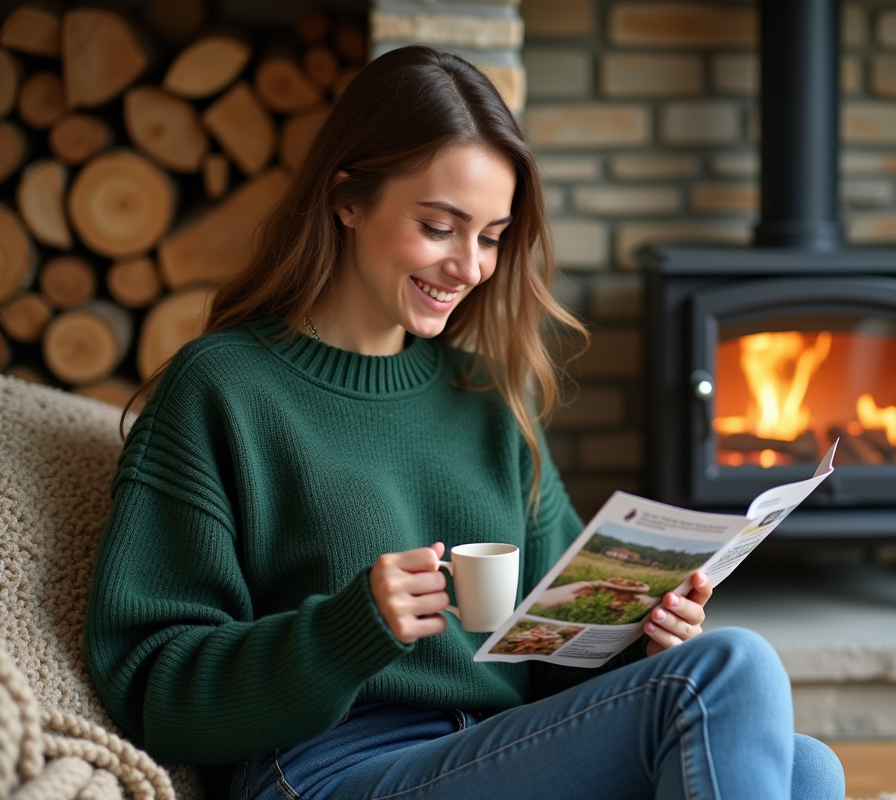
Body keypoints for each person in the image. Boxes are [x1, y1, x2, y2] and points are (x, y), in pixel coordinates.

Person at [83, 45, 845, 800]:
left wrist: (641, 641)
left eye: (490, 237)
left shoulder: (486, 397)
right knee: (734, 672)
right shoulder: (223, 388)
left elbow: (550, 658)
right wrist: (345, 630)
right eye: (439, 226)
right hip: (326, 769)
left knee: (808, 769)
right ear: (348, 200)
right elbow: (150, 683)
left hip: (490, 750)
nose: (470, 267)